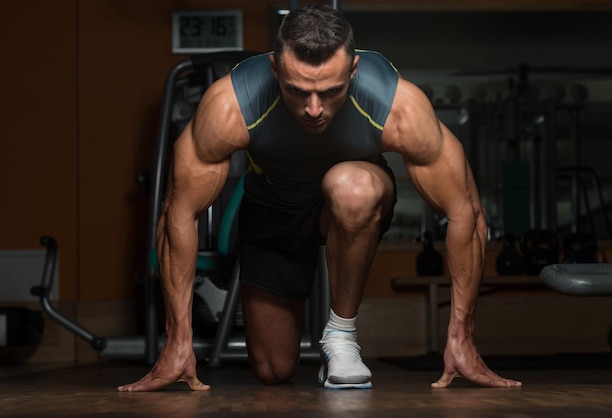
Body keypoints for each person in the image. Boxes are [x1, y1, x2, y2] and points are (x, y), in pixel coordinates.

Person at [118, 4, 522, 392]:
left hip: (354, 194)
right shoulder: (230, 106)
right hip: (274, 204)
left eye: (330, 91)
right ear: (275, 70)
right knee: (273, 370)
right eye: (297, 91)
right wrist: (177, 339)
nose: (314, 109)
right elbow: (179, 214)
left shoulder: (398, 106)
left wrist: (462, 335)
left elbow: (465, 213)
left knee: (351, 187)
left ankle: (341, 338)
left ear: (354, 69)